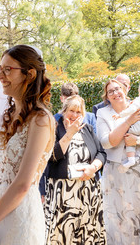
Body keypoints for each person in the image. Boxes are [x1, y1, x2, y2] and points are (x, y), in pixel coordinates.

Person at [0, 45, 55, 245]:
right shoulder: (2, 118)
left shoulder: (41, 120)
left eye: (8, 69)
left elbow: (22, 184)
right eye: (0, 69)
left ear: (30, 74)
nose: (0, 76)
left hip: (20, 217)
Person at [96, 79, 140, 244]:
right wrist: (128, 121)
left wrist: (138, 140)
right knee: (123, 220)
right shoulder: (103, 113)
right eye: (110, 91)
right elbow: (108, 142)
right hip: (120, 177)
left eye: (118, 88)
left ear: (125, 90)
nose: (115, 93)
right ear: (107, 97)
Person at [44, 95, 106, 244]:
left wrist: (93, 167)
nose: (75, 115)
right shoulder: (54, 127)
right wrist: (70, 133)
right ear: (64, 110)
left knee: (87, 233)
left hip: (88, 190)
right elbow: (53, 156)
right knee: (62, 234)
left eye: (79, 112)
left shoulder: (87, 129)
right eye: (72, 110)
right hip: (63, 192)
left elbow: (101, 153)